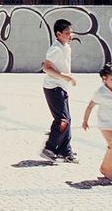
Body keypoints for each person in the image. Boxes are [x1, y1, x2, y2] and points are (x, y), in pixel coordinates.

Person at [40, 19, 78, 163]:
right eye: (67, 33)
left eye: (70, 32)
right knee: (62, 120)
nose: (70, 35)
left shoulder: (66, 46)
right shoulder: (55, 48)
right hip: (53, 88)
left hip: (61, 87)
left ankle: (66, 152)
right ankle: (49, 148)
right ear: (58, 34)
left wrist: (66, 79)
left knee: (67, 120)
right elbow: (46, 68)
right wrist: (65, 76)